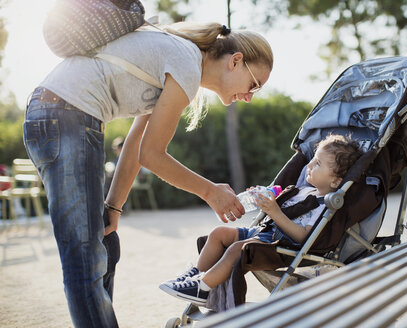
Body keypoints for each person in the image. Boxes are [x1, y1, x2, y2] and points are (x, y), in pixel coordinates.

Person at [23, 22, 273, 328]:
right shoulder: (187, 63)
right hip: (65, 116)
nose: (250, 97)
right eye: (255, 85)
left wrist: (113, 208)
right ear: (236, 61)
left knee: (105, 244)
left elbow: (135, 146)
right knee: (86, 260)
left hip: (63, 116)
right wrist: (210, 192)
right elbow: (152, 155)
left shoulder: (181, 59)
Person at [159, 134, 363, 306]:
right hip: (263, 231)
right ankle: (194, 276)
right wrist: (261, 196)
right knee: (219, 234)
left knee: (237, 249)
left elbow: (303, 236)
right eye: (313, 159)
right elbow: (275, 196)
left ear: (336, 181)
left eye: (317, 163)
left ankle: (203, 288)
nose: (309, 165)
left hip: (280, 244)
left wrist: (275, 212)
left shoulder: (324, 205)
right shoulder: (303, 189)